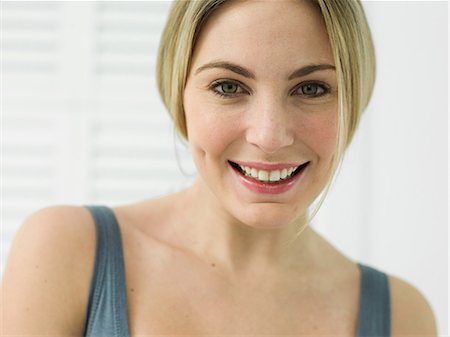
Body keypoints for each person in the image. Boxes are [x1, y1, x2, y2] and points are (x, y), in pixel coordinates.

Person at [1, 0, 437, 336]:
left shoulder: (402, 316)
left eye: (311, 87)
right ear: (179, 95)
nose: (269, 135)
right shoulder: (67, 251)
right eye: (228, 86)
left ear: (353, 103)